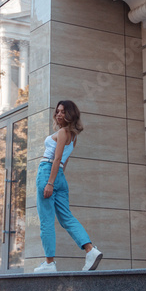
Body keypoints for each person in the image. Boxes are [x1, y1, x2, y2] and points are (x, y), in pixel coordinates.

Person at [34, 100, 103, 273]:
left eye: (63, 111)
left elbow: (57, 159)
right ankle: (90, 250)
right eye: (57, 111)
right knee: (66, 218)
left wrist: (50, 182)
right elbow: (65, 161)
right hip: (59, 177)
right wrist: (58, 179)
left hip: (48, 173)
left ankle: (49, 264)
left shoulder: (63, 132)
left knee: (46, 221)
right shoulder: (73, 137)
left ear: (71, 114)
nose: (59, 114)